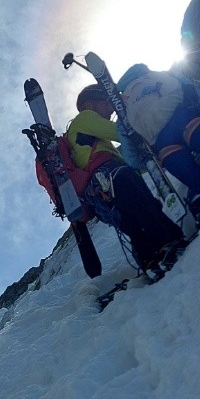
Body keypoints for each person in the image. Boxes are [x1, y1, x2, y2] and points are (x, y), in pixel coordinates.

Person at [35, 84, 185, 274]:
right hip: (110, 176)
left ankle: (150, 261)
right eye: (106, 103)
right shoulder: (85, 117)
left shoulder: (83, 135)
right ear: (89, 105)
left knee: (131, 221)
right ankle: (168, 243)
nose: (111, 109)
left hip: (98, 197)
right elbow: (121, 132)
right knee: (143, 205)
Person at [116, 64, 200, 228]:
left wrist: (149, 162)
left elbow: (131, 158)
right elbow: (190, 89)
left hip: (163, 145)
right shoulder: (161, 74)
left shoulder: (123, 109)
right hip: (185, 120)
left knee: (196, 182)